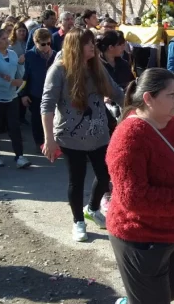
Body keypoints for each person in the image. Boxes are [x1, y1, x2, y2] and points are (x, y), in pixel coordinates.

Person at [106, 68, 174, 304]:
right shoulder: (129, 136)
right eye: (171, 95)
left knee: (172, 291)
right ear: (148, 98)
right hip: (142, 237)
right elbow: (133, 197)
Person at [42, 28, 124, 242]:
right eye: (87, 43)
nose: (92, 46)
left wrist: (139, 109)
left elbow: (116, 92)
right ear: (74, 46)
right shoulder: (59, 70)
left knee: (106, 175)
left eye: (92, 43)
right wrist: (49, 139)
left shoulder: (96, 67)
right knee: (76, 181)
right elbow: (47, 106)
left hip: (99, 134)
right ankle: (78, 221)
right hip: (70, 136)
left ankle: (93, 209)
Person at [0, 27, 30, 169]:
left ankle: (19, 156)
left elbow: (19, 72)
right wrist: (10, 82)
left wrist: (20, 66)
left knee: (14, 126)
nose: (7, 41)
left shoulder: (12, 54)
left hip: (12, 96)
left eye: (7, 38)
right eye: (3, 39)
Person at [21, 28, 57, 148]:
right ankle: (39, 143)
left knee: (54, 119)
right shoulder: (29, 56)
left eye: (48, 43)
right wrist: (24, 94)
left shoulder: (56, 55)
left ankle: (53, 142)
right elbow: (25, 77)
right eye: (43, 44)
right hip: (35, 93)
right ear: (35, 42)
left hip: (53, 93)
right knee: (37, 119)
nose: (46, 46)